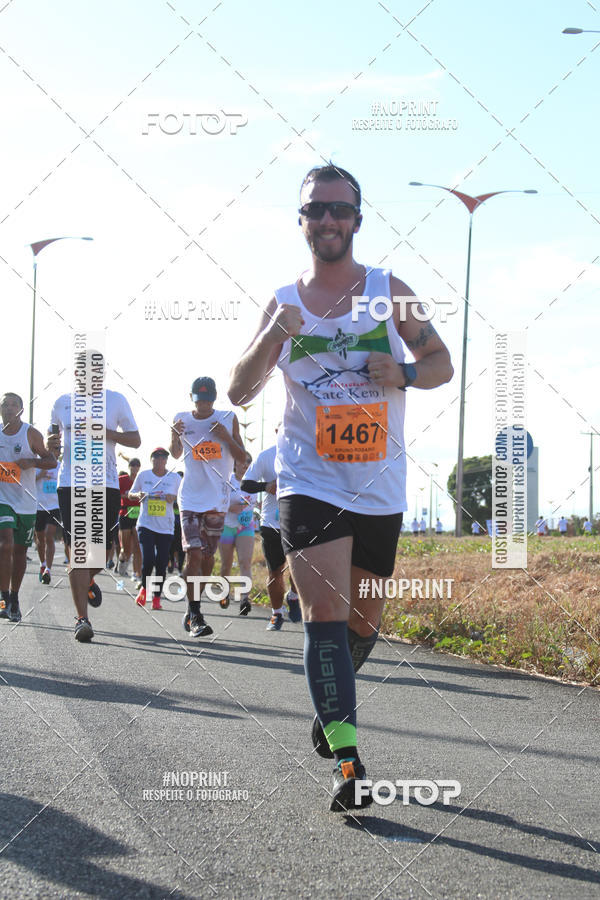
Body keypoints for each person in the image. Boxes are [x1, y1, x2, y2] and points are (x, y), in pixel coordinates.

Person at [228, 163, 453, 811]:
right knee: (323, 616)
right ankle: (349, 764)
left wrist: (404, 372)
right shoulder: (284, 302)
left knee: (362, 623)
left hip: (378, 484)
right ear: (301, 221)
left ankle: (333, 708)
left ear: (357, 218)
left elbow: (443, 363)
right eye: (314, 210)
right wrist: (273, 335)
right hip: (308, 478)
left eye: (338, 209)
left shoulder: (390, 290)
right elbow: (241, 389)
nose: (326, 220)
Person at [48, 352, 140, 642]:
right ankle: (81, 619)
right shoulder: (62, 403)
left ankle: (86, 579)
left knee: (101, 552)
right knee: (77, 551)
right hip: (71, 483)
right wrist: (51, 445)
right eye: (84, 371)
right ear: (76, 374)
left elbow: (135, 440)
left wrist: (105, 431)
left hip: (105, 484)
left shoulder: (116, 400)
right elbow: (53, 448)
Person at [170, 377, 247, 638]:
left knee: (206, 558)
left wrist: (226, 436)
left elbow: (242, 458)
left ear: (214, 398)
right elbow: (175, 453)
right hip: (190, 498)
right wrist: (174, 435)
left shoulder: (228, 417)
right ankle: (195, 614)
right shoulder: (182, 418)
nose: (203, 404)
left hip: (217, 500)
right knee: (193, 553)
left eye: (207, 399)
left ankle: (192, 604)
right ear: (191, 398)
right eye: (198, 399)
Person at [0, 393, 57, 622]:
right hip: (3, 500)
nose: (9, 408)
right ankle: (3, 598)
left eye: (14, 405)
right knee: (5, 544)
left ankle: (14, 597)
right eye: (5, 404)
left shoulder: (30, 434)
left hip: (25, 501)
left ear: (21, 410)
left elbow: (51, 460)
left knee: (20, 551)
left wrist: (32, 462)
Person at [241, 443, 300, 627]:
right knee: (275, 572)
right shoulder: (266, 456)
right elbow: (245, 484)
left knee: (299, 570)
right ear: (278, 430)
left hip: (300, 522)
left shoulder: (306, 451)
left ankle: (293, 596)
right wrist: (266, 486)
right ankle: (276, 614)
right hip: (271, 524)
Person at [129, 448, 180, 610]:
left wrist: (175, 498)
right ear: (151, 460)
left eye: (163, 457)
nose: (160, 460)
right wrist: (138, 496)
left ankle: (157, 598)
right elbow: (131, 493)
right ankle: (144, 589)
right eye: (156, 457)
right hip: (146, 524)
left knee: (161, 562)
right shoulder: (143, 475)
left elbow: (185, 495)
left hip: (166, 527)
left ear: (166, 460)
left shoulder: (174, 478)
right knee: (149, 559)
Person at [218, 453, 256, 614]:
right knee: (226, 564)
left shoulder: (253, 482)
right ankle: (224, 592)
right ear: (234, 464)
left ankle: (245, 599)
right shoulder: (227, 480)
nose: (245, 464)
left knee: (245, 562)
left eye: (248, 462)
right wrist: (229, 508)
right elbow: (216, 501)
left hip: (245, 526)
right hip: (226, 526)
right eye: (241, 461)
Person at [34, 441, 61, 584]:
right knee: (40, 539)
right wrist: (41, 475)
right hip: (39, 507)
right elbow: (29, 480)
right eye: (52, 448)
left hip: (55, 507)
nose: (54, 451)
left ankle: (48, 570)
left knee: (49, 534)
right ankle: (42, 564)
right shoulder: (39, 464)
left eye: (57, 449)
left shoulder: (60, 467)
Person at [117, 455, 142, 580]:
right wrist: (127, 496)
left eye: (137, 465)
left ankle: (137, 573)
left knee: (137, 545)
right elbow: (116, 494)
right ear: (129, 467)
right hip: (125, 513)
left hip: (138, 514)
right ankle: (122, 561)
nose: (135, 468)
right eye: (132, 465)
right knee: (126, 547)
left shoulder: (141, 479)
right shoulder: (122, 479)